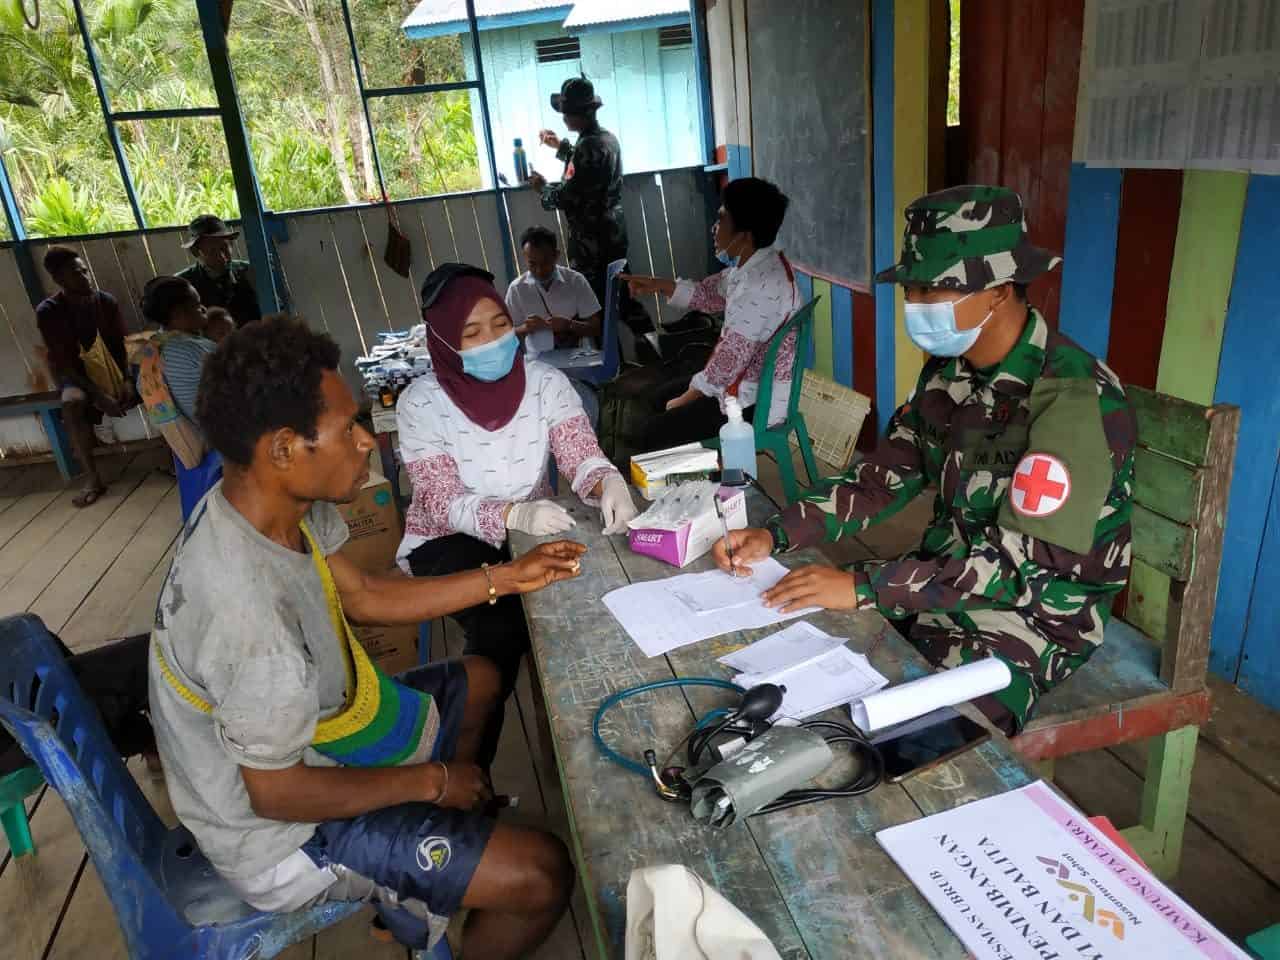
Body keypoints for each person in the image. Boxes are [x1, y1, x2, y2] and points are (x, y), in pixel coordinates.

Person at [150, 315, 583, 956]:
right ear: (282, 450)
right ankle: (421, 863)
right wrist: (431, 782)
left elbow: (365, 595)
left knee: (483, 677)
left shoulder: (267, 508)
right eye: (347, 428)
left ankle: (427, 865)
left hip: (313, 740)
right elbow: (276, 792)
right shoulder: (247, 614)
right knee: (542, 871)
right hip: (278, 837)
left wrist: (509, 576)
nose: (365, 442)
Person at [712, 185, 1137, 736]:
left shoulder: (1073, 398)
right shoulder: (949, 372)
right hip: (938, 584)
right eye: (912, 286)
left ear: (998, 290)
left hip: (1033, 614)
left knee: (912, 743)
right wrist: (778, 534)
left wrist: (865, 588)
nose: (915, 302)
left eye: (934, 287)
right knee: (795, 690)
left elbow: (1017, 570)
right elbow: (883, 478)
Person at [396, 264, 638, 765]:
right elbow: (440, 499)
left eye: (500, 324)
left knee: (590, 596)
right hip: (446, 538)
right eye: (471, 331)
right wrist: (512, 515)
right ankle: (467, 768)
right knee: (503, 630)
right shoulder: (421, 402)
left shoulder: (545, 382)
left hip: (531, 528)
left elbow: (578, 452)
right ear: (443, 338)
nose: (492, 340)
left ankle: (572, 742)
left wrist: (606, 480)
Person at [622, 177, 797, 455]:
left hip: (753, 403)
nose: (715, 228)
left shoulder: (759, 287)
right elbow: (710, 293)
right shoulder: (759, 263)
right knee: (655, 398)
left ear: (744, 234)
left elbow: (728, 360)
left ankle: (689, 484)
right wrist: (656, 284)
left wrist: (685, 399)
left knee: (652, 433)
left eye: (722, 218)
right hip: (744, 382)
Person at [528, 77, 650, 341]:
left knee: (596, 309)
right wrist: (560, 148)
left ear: (574, 114)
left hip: (591, 243)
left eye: (565, 112)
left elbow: (567, 196)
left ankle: (612, 371)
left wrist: (541, 188)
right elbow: (591, 170)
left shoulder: (586, 147)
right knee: (623, 299)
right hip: (614, 234)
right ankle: (654, 350)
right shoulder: (608, 139)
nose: (562, 118)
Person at [35, 245, 138, 507]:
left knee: (155, 385)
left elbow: (122, 345)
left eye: (85, 271)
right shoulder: (50, 312)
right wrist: (99, 396)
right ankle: (93, 479)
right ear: (59, 280)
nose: (86, 277)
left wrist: (126, 379)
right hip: (77, 377)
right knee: (71, 405)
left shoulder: (105, 301)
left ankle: (173, 458)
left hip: (113, 371)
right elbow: (65, 363)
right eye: (77, 274)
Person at [506, 224, 603, 423]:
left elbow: (596, 327)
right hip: (538, 366)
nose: (539, 270)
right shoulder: (517, 289)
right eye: (532, 264)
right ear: (525, 259)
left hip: (578, 364)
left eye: (546, 262)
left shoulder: (575, 281)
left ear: (556, 255)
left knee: (581, 405)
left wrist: (568, 325)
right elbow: (506, 336)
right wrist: (526, 328)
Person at [176, 214, 261, 329]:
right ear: (195, 252)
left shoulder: (250, 272)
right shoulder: (183, 284)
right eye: (212, 251)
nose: (222, 256)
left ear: (231, 245)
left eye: (224, 248)